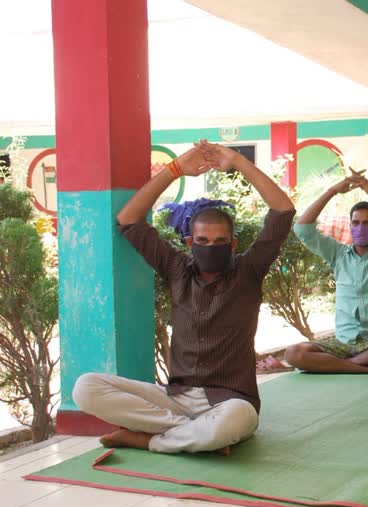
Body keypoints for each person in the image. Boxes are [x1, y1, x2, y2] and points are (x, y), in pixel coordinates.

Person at [72, 141, 296, 453]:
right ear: (190, 242)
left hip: (230, 400)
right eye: (203, 240)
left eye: (220, 241)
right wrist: (176, 169)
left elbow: (282, 211)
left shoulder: (248, 272)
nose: (211, 245)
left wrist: (238, 162)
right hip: (174, 397)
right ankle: (196, 436)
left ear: (233, 245)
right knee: (86, 388)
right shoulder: (177, 269)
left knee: (238, 420)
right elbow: (129, 221)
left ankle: (150, 439)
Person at [287, 172, 368, 375]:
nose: (360, 228)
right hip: (342, 342)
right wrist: (332, 191)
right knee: (293, 353)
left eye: (367, 223)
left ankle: (349, 366)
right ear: (350, 226)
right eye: (355, 223)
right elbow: (303, 228)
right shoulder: (338, 254)